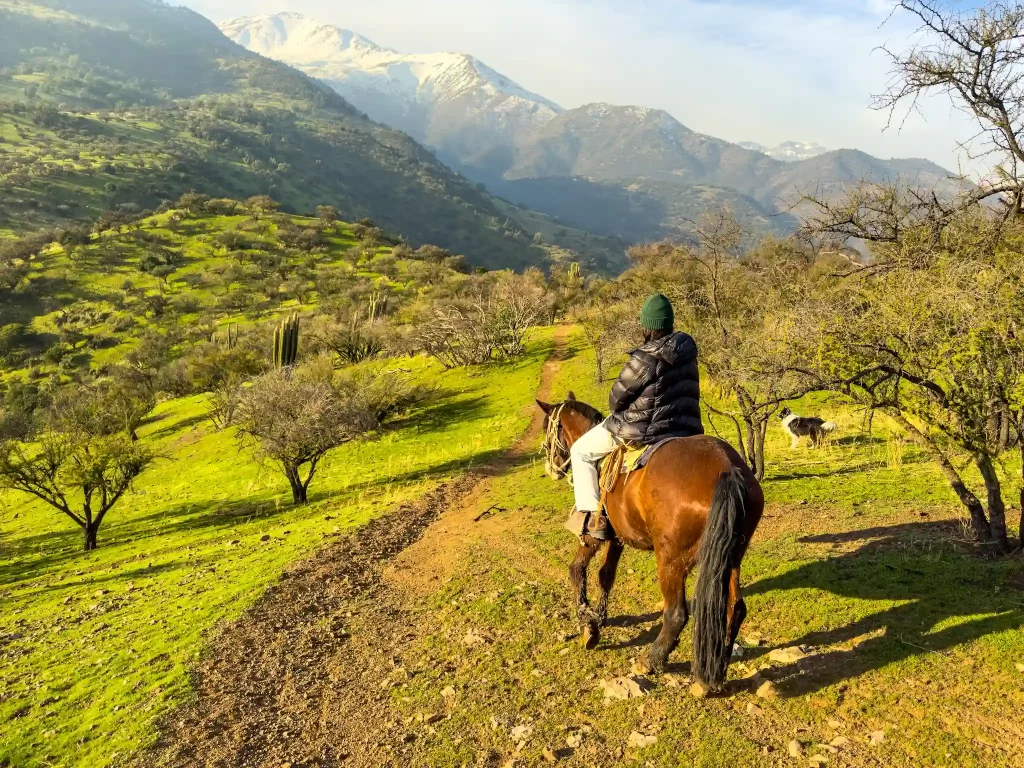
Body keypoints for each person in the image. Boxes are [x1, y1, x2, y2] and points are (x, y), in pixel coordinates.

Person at [567, 293, 703, 539]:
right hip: (686, 428)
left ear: (647, 326)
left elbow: (616, 399)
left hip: (644, 430)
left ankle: (591, 518)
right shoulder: (687, 351)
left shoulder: (644, 357)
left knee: (580, 451)